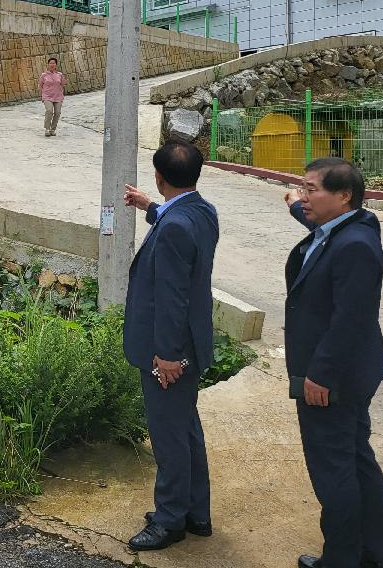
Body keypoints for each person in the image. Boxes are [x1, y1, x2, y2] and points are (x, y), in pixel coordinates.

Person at [283, 158, 383, 568]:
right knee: (356, 460)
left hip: (334, 378)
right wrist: (297, 205)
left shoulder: (355, 247)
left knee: (334, 473)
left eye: (313, 189)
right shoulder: (351, 226)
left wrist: (320, 374)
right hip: (348, 372)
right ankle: (371, 555)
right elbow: (319, 227)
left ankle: (342, 559)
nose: (304, 195)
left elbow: (352, 319)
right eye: (302, 187)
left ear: (344, 197)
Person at [122, 141, 219, 552]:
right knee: (186, 428)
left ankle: (170, 519)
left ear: (160, 177)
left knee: (169, 436)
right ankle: (196, 511)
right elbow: (173, 220)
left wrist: (166, 354)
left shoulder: (176, 225)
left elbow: (172, 296)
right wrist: (149, 207)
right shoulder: (202, 211)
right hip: (191, 343)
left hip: (171, 351)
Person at [38, 57, 66, 136]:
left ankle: (52, 129)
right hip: (47, 96)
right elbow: (40, 86)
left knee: (57, 113)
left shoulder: (59, 75)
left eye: (54, 63)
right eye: (50, 63)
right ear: (48, 64)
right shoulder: (44, 75)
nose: (52, 64)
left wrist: (61, 92)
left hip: (58, 97)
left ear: (56, 65)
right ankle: (47, 129)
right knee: (49, 111)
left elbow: (63, 84)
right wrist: (42, 96)